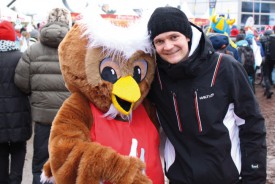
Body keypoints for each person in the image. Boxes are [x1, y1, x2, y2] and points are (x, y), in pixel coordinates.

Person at [147, 7, 267, 184]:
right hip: (180, 178)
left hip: (226, 178)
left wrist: (254, 177)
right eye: (159, 41)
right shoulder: (155, 78)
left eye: (174, 37)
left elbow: (251, 125)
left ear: (187, 35)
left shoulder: (225, 67)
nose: (168, 46)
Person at [14, 7, 71, 184]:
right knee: (67, 165)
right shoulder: (74, 50)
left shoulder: (32, 51)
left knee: (40, 166)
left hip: (43, 120)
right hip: (69, 119)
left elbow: (21, 83)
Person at [0, 20, 32, 184]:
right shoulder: (21, 58)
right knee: (19, 148)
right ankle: (15, 181)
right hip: (19, 113)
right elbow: (28, 86)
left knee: (1, 150)